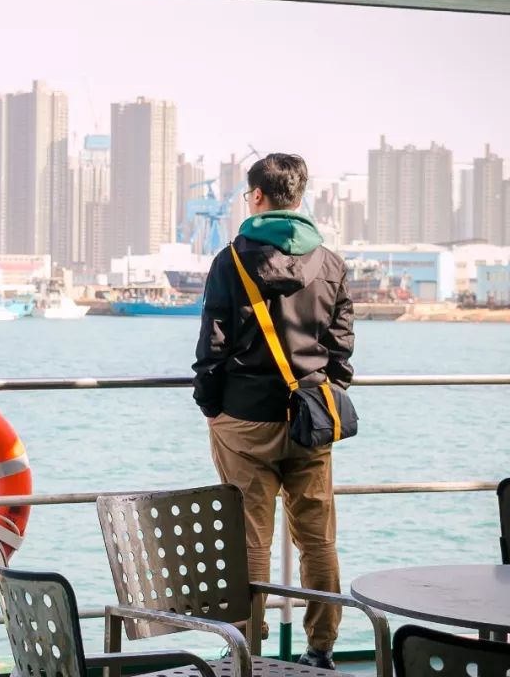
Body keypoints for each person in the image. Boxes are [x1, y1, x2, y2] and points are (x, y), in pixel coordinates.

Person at [192, 153, 353, 670]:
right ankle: (321, 648)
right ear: (299, 197)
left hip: (244, 420)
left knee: (250, 540)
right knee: (317, 539)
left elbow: (213, 346)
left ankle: (247, 649)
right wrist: (325, 393)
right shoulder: (330, 263)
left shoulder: (231, 261)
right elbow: (341, 348)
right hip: (311, 420)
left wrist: (211, 406)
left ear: (257, 196)